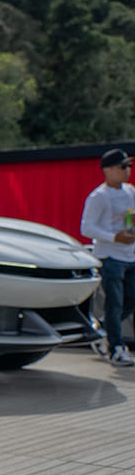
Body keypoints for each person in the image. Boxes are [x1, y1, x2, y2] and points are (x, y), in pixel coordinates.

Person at [80, 148, 135, 366]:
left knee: (130, 301)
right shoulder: (98, 197)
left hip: (130, 255)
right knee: (115, 302)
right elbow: (86, 228)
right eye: (123, 167)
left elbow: (130, 215)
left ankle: (101, 328)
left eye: (129, 166)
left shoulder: (131, 191)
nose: (128, 171)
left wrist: (130, 232)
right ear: (108, 170)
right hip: (110, 256)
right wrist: (114, 237)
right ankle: (116, 349)